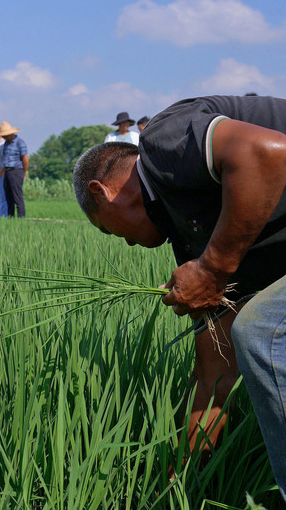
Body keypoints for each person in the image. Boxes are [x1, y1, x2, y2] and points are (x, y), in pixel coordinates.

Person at [73, 95, 286, 496]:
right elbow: (215, 376)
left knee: (261, 330)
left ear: (101, 192)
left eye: (107, 229)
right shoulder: (193, 236)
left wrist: (213, 268)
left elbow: (269, 153)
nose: (126, 244)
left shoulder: (163, 143)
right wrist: (182, 480)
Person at [0, 121, 28, 218]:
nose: (4, 137)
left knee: (17, 197)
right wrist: (2, 171)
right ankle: (11, 218)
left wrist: (24, 172)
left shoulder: (20, 142)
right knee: (8, 197)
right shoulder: (6, 143)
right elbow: (5, 158)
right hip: (7, 171)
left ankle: (21, 218)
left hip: (16, 171)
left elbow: (25, 159)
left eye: (5, 135)